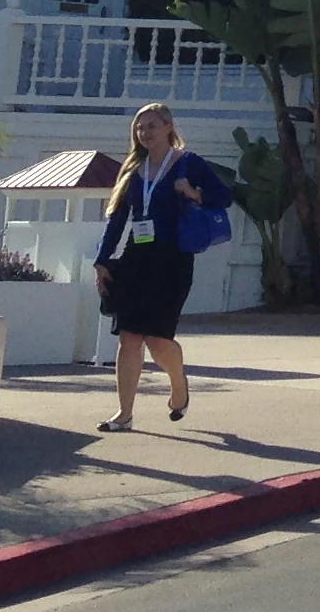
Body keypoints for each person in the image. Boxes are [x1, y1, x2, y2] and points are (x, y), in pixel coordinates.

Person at [91, 104, 230, 433]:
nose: (145, 133)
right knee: (129, 337)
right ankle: (124, 414)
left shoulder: (188, 163)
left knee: (157, 340)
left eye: (152, 126)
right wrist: (102, 259)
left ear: (169, 127)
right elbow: (117, 219)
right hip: (136, 257)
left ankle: (178, 383)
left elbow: (223, 196)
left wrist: (194, 193)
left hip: (173, 260)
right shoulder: (133, 168)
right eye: (140, 128)